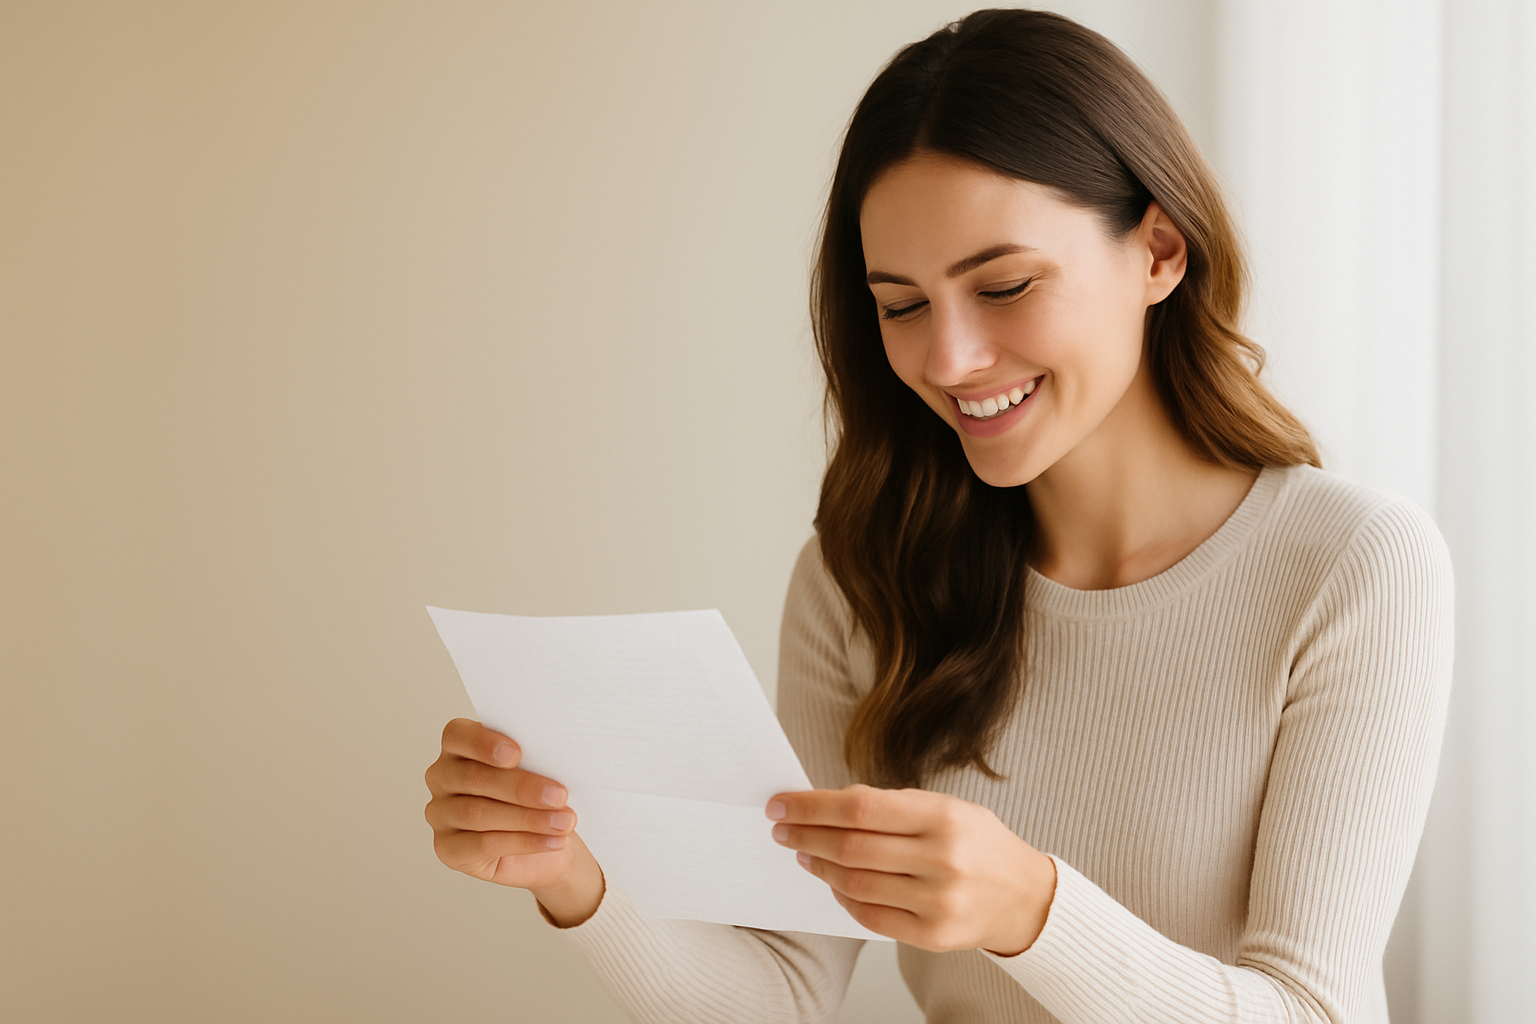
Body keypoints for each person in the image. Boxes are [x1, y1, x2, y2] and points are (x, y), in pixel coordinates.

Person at [422, 9, 1452, 1022]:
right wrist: (575, 878)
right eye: (902, 305)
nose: (948, 360)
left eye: (1003, 284)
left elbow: (1308, 1009)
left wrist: (1031, 910)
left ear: (1161, 251)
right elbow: (782, 995)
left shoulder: (1352, 567)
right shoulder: (862, 577)